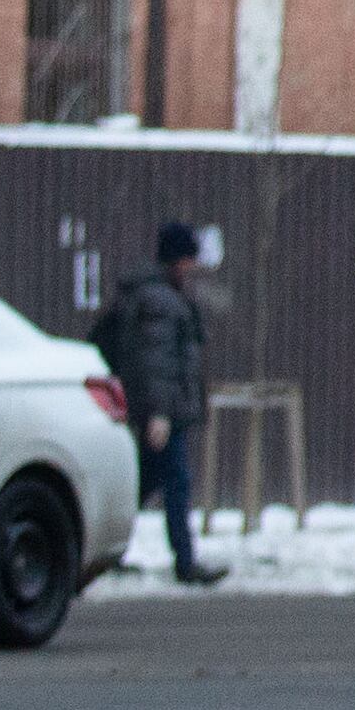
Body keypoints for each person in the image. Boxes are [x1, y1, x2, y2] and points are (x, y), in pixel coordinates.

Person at [103, 218, 232, 589]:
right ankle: (186, 563)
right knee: (176, 481)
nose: (193, 268)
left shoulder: (161, 295)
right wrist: (158, 414)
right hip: (161, 412)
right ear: (178, 260)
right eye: (190, 259)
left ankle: (108, 553)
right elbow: (154, 363)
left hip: (161, 408)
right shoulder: (159, 300)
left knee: (145, 483)